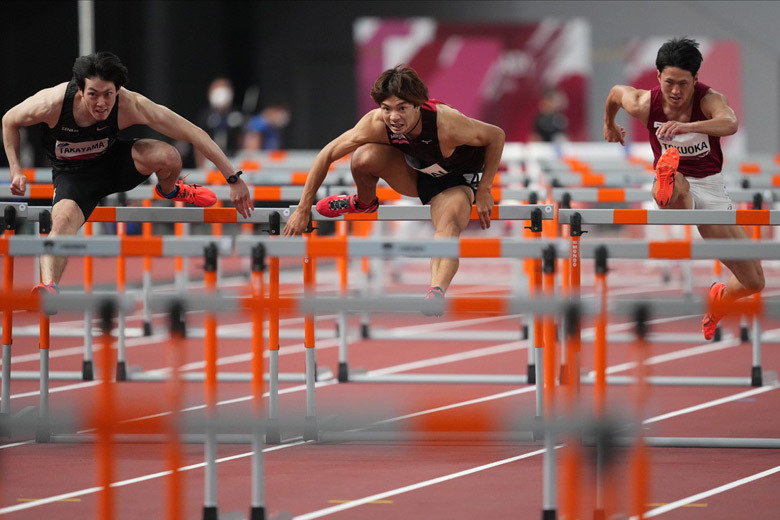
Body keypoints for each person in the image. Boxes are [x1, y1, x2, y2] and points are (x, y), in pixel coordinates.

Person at [1, 51, 253, 297]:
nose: (101, 103)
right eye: (93, 94)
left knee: (169, 156)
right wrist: (16, 169)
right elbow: (9, 120)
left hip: (115, 163)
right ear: (79, 89)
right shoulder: (52, 103)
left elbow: (195, 133)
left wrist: (233, 178)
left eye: (108, 94)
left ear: (118, 91)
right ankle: (49, 287)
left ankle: (170, 189)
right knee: (61, 221)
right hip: (74, 176)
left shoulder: (130, 104)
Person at [282, 64, 505, 315]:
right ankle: (364, 202)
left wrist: (485, 188)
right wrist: (303, 209)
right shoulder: (376, 123)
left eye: (402, 108)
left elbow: (496, 135)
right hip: (417, 174)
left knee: (449, 225)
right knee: (363, 156)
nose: (393, 117)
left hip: (456, 180)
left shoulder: (448, 124)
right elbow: (326, 155)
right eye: (386, 109)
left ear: (418, 104)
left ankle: (436, 291)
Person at [603, 37, 764, 340]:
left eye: (684, 84)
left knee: (754, 281)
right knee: (675, 189)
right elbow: (614, 93)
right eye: (669, 83)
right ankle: (666, 178)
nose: (676, 91)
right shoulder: (644, 103)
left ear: (696, 80)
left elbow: (730, 123)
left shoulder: (708, 99)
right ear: (658, 77)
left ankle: (719, 299)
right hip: (677, 183)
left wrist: (687, 127)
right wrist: (609, 124)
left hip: (712, 188)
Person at [194, 77, 245, 167]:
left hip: (233, 160)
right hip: (209, 160)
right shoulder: (205, 115)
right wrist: (200, 166)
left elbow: (241, 140)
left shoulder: (236, 114)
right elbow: (198, 142)